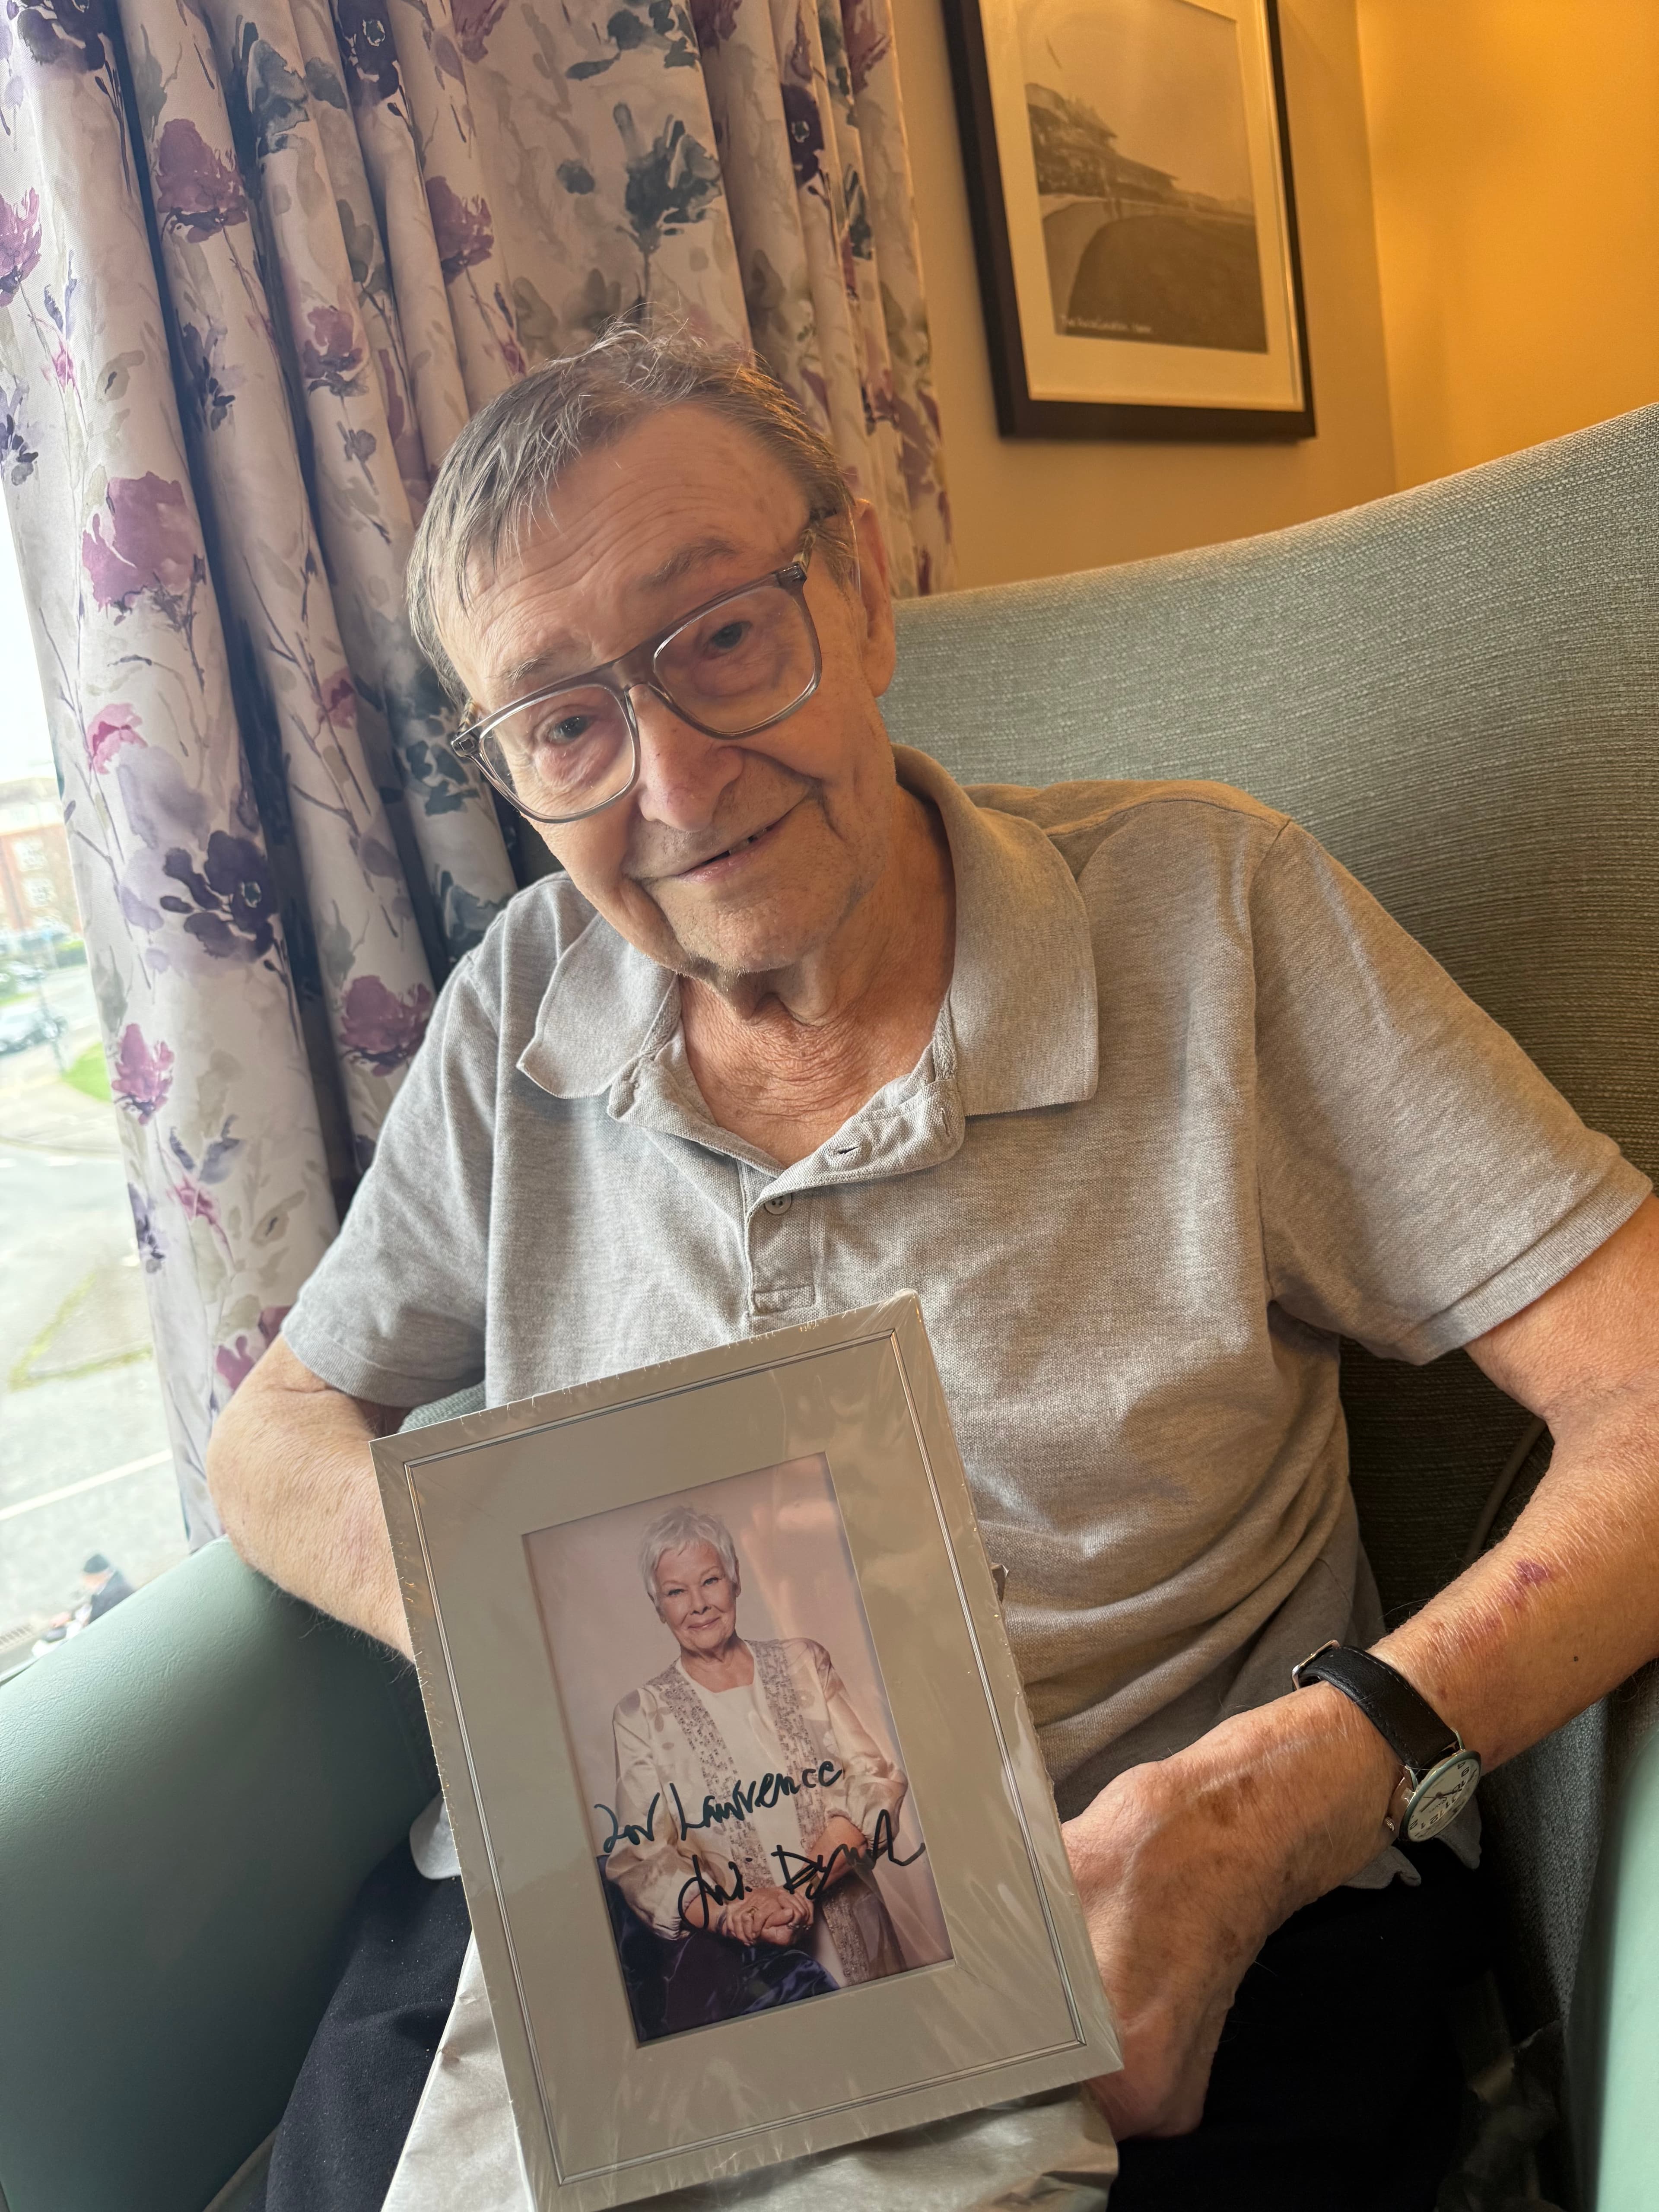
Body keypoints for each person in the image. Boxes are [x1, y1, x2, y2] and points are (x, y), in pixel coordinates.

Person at [208, 325, 1659, 2210]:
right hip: (607, 1924)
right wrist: (511, 1621)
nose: (671, 776)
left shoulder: (1212, 917)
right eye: (564, 722)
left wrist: (1288, 1787)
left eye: (720, 631)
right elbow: (276, 1432)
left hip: (1143, 1918)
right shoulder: (517, 1012)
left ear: (865, 589)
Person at [601, 1504, 917, 2031]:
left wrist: (799, 1891)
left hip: (856, 1931)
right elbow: (643, 1858)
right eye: (677, 1591)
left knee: (892, 2049)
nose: (699, 1604)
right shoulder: (640, 1715)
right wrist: (732, 1915)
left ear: (736, 1580)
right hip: (746, 1973)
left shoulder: (804, 1663)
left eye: (710, 1580)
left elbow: (874, 1781)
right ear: (657, 1605)